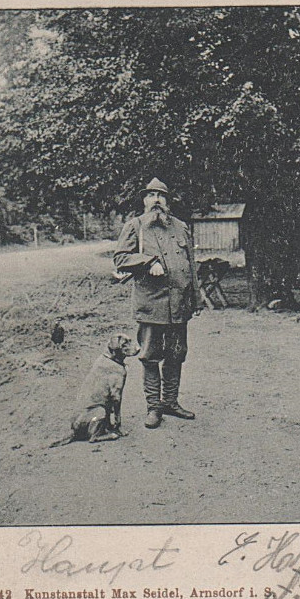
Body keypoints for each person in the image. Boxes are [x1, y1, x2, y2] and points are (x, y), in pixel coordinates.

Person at [113, 177, 200, 429]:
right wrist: (148, 262)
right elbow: (120, 259)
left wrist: (195, 298)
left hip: (179, 304)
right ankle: (153, 407)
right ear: (144, 201)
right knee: (150, 356)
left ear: (167, 201)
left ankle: (170, 402)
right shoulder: (135, 226)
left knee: (176, 354)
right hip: (151, 305)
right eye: (151, 196)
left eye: (161, 196)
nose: (156, 200)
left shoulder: (181, 227)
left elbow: (190, 265)